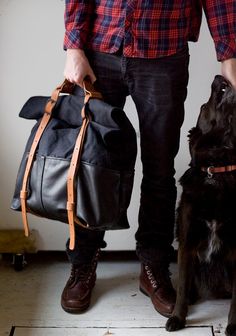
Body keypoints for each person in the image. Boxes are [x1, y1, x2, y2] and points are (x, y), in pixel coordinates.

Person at [61, 0, 236, 317]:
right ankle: (82, 263)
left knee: (160, 169)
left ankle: (154, 267)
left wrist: (229, 53)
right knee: (90, 166)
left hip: (164, 51)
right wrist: (74, 45)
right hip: (100, 48)